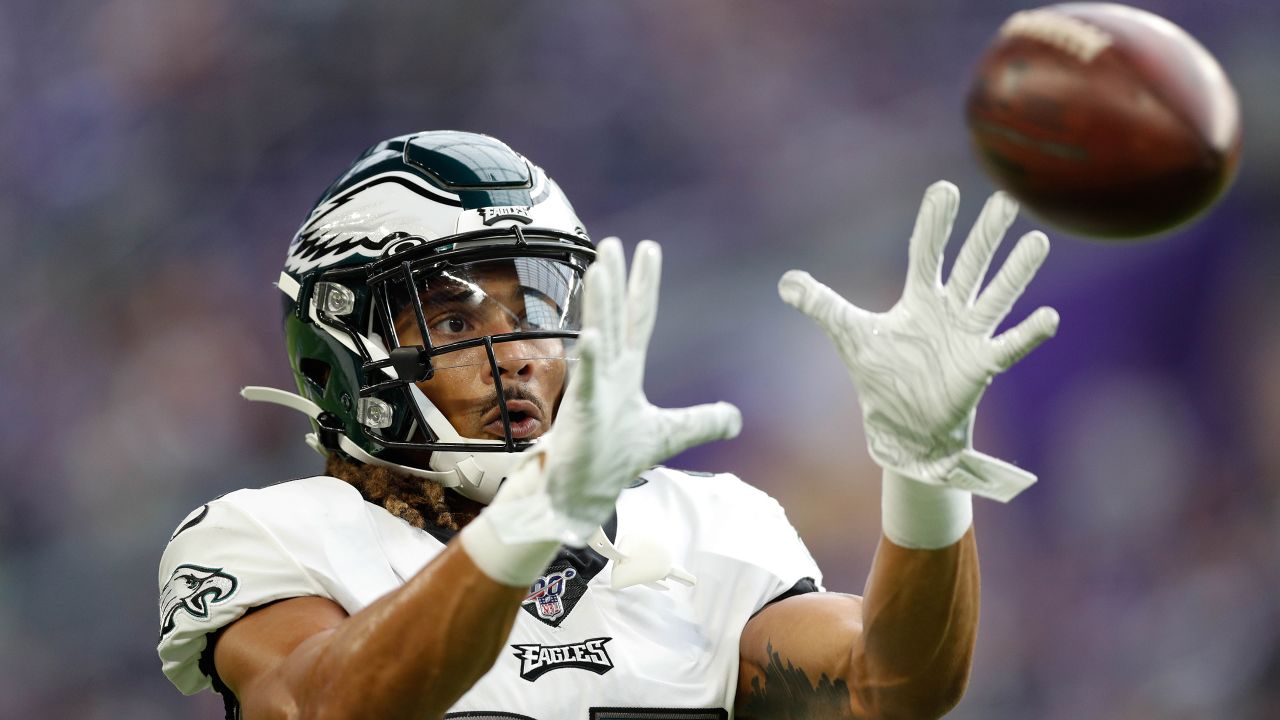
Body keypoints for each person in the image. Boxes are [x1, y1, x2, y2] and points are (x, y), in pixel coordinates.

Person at [157, 130, 1058, 719]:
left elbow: (893, 688)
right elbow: (327, 706)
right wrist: (531, 522)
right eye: (455, 320)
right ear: (336, 352)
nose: (514, 353)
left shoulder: (712, 525)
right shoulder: (265, 536)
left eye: (531, 309)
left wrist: (925, 470)